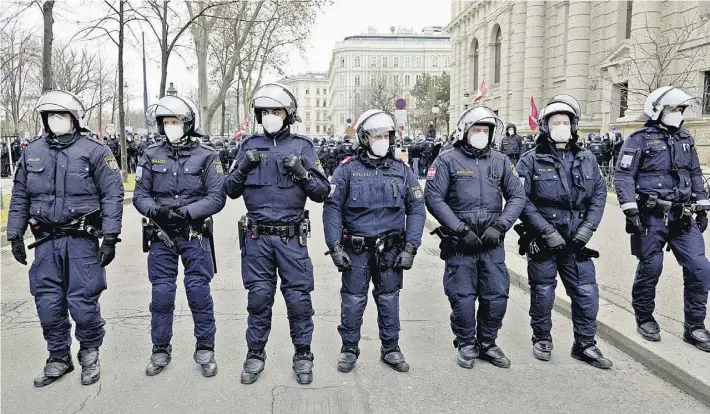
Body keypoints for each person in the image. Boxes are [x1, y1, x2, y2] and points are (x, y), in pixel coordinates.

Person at [7, 90, 124, 386]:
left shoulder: (95, 151)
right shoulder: (32, 150)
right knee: (47, 303)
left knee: (83, 302)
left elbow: (112, 195)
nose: (55, 120)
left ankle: (89, 353)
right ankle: (58, 356)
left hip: (81, 239)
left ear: (74, 118)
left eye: (61, 115)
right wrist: (15, 234)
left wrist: (110, 236)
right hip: (45, 241)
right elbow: (20, 193)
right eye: (50, 116)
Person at [223, 83, 329, 385]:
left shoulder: (303, 147)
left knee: (298, 299)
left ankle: (303, 354)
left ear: (288, 114)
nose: (271, 116)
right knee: (258, 298)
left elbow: (322, 192)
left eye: (277, 111)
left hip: (291, 238)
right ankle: (255, 354)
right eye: (266, 111)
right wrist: (242, 167)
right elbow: (229, 191)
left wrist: (303, 173)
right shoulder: (247, 145)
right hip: (257, 239)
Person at [323, 109, 425, 373]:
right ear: (364, 138)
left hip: (391, 250)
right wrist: (334, 246)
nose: (383, 140)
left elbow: (416, 208)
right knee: (353, 300)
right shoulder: (347, 171)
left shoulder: (402, 171)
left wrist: (411, 247)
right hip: (356, 250)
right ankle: (349, 349)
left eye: (386, 135)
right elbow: (332, 208)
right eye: (377, 135)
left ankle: (390, 348)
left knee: (389, 299)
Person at [516, 94, 612, 369]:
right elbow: (521, 200)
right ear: (545, 126)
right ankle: (542, 337)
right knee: (543, 291)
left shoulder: (587, 158)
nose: (561, 126)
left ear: (574, 126)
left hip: (576, 238)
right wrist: (545, 231)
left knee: (586, 292)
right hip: (545, 238)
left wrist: (589, 228)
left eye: (565, 122)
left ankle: (585, 344)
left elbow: (599, 194)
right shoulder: (530, 160)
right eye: (555, 121)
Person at [424, 106, 525, 369]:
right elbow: (434, 197)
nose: (481, 134)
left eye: (485, 130)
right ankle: (467, 343)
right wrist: (458, 228)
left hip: (492, 241)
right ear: (464, 131)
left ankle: (488, 343)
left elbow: (517, 196)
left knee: (496, 295)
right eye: (476, 129)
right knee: (462, 296)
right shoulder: (447, 160)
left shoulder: (501, 161)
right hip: (461, 243)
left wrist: (501, 226)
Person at [134, 95, 226, 377]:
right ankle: (160, 349)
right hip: (162, 235)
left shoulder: (207, 155)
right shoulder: (150, 154)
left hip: (193, 234)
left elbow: (216, 196)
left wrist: (186, 212)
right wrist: (158, 211)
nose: (170, 125)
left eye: (175, 121)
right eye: (166, 122)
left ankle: (205, 348)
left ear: (187, 123)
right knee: (161, 294)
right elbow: (140, 195)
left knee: (198, 292)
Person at [614, 86, 710, 352]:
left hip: (681, 216)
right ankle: (644, 318)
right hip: (650, 217)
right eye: (672, 109)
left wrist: (702, 206)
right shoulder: (639, 139)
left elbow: (694, 173)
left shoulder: (685, 138)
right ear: (657, 110)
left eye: (680, 110)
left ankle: (695, 326)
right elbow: (623, 176)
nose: (677, 114)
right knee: (651, 268)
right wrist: (630, 209)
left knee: (701, 269)